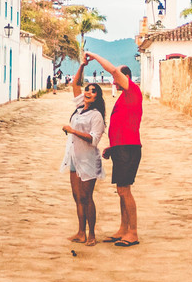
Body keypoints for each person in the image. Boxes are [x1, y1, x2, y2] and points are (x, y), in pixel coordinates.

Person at [84, 52, 142, 247]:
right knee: (121, 190)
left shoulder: (133, 90)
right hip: (121, 147)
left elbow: (112, 69)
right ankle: (123, 228)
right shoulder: (124, 98)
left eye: (119, 78)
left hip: (129, 148)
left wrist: (92, 55)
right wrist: (112, 146)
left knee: (125, 190)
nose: (115, 80)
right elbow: (124, 123)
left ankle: (133, 232)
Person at [60, 62, 106, 245]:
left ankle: (92, 234)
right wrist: (81, 65)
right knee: (77, 197)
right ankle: (80, 232)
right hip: (73, 158)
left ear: (97, 97)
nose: (88, 92)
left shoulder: (97, 116)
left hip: (87, 160)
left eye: (93, 91)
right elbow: (75, 84)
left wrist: (73, 131)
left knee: (87, 197)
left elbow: (94, 139)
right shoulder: (80, 107)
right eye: (88, 89)